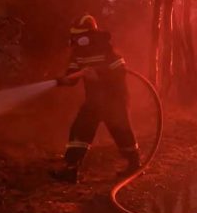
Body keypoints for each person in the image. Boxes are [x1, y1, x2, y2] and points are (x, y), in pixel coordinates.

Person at [49, 14, 140, 184]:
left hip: (114, 99)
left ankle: (134, 164)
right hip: (94, 101)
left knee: (121, 130)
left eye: (80, 35)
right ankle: (71, 169)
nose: (77, 39)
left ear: (89, 34)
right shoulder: (78, 53)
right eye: (75, 35)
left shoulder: (106, 47)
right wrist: (63, 80)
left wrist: (99, 75)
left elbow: (120, 71)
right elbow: (73, 77)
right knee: (79, 130)